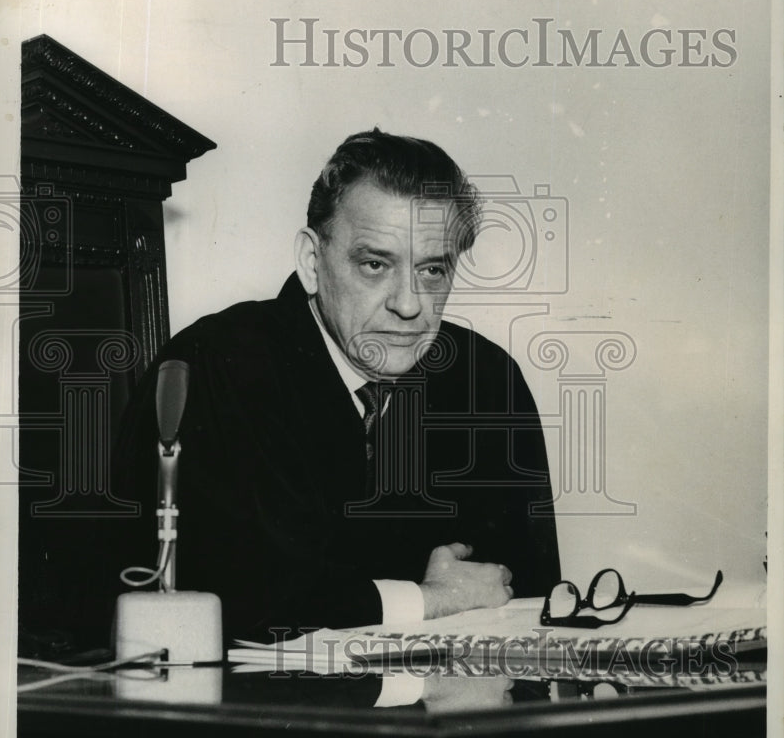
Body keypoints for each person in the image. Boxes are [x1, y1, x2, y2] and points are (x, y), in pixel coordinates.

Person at [115, 129, 560, 643]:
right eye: (375, 264)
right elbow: (232, 601)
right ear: (311, 261)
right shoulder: (215, 365)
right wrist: (431, 599)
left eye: (433, 270)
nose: (409, 304)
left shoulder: (487, 380)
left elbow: (533, 600)